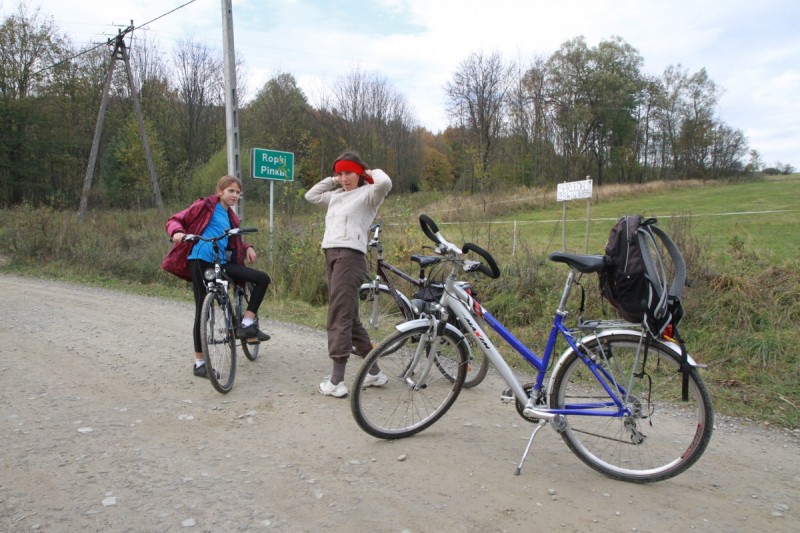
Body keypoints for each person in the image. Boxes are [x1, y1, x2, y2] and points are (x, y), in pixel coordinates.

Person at [161, 175, 271, 378]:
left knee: (262, 278)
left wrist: (247, 247)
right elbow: (175, 220)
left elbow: (233, 239)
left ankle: (246, 324)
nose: (235, 195)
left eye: (238, 193)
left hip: (222, 262)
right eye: (231, 191)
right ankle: (200, 363)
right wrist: (177, 232)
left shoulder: (231, 217)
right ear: (220, 191)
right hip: (200, 260)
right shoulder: (205, 205)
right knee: (202, 309)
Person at [305, 151, 392, 397]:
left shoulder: (368, 195)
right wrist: (333, 179)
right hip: (331, 256)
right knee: (349, 318)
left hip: (350, 257)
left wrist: (367, 173)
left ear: (359, 174)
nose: (344, 178)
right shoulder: (335, 197)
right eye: (341, 173)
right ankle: (374, 372)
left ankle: (336, 380)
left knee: (338, 316)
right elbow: (310, 196)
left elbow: (385, 182)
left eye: (349, 173)